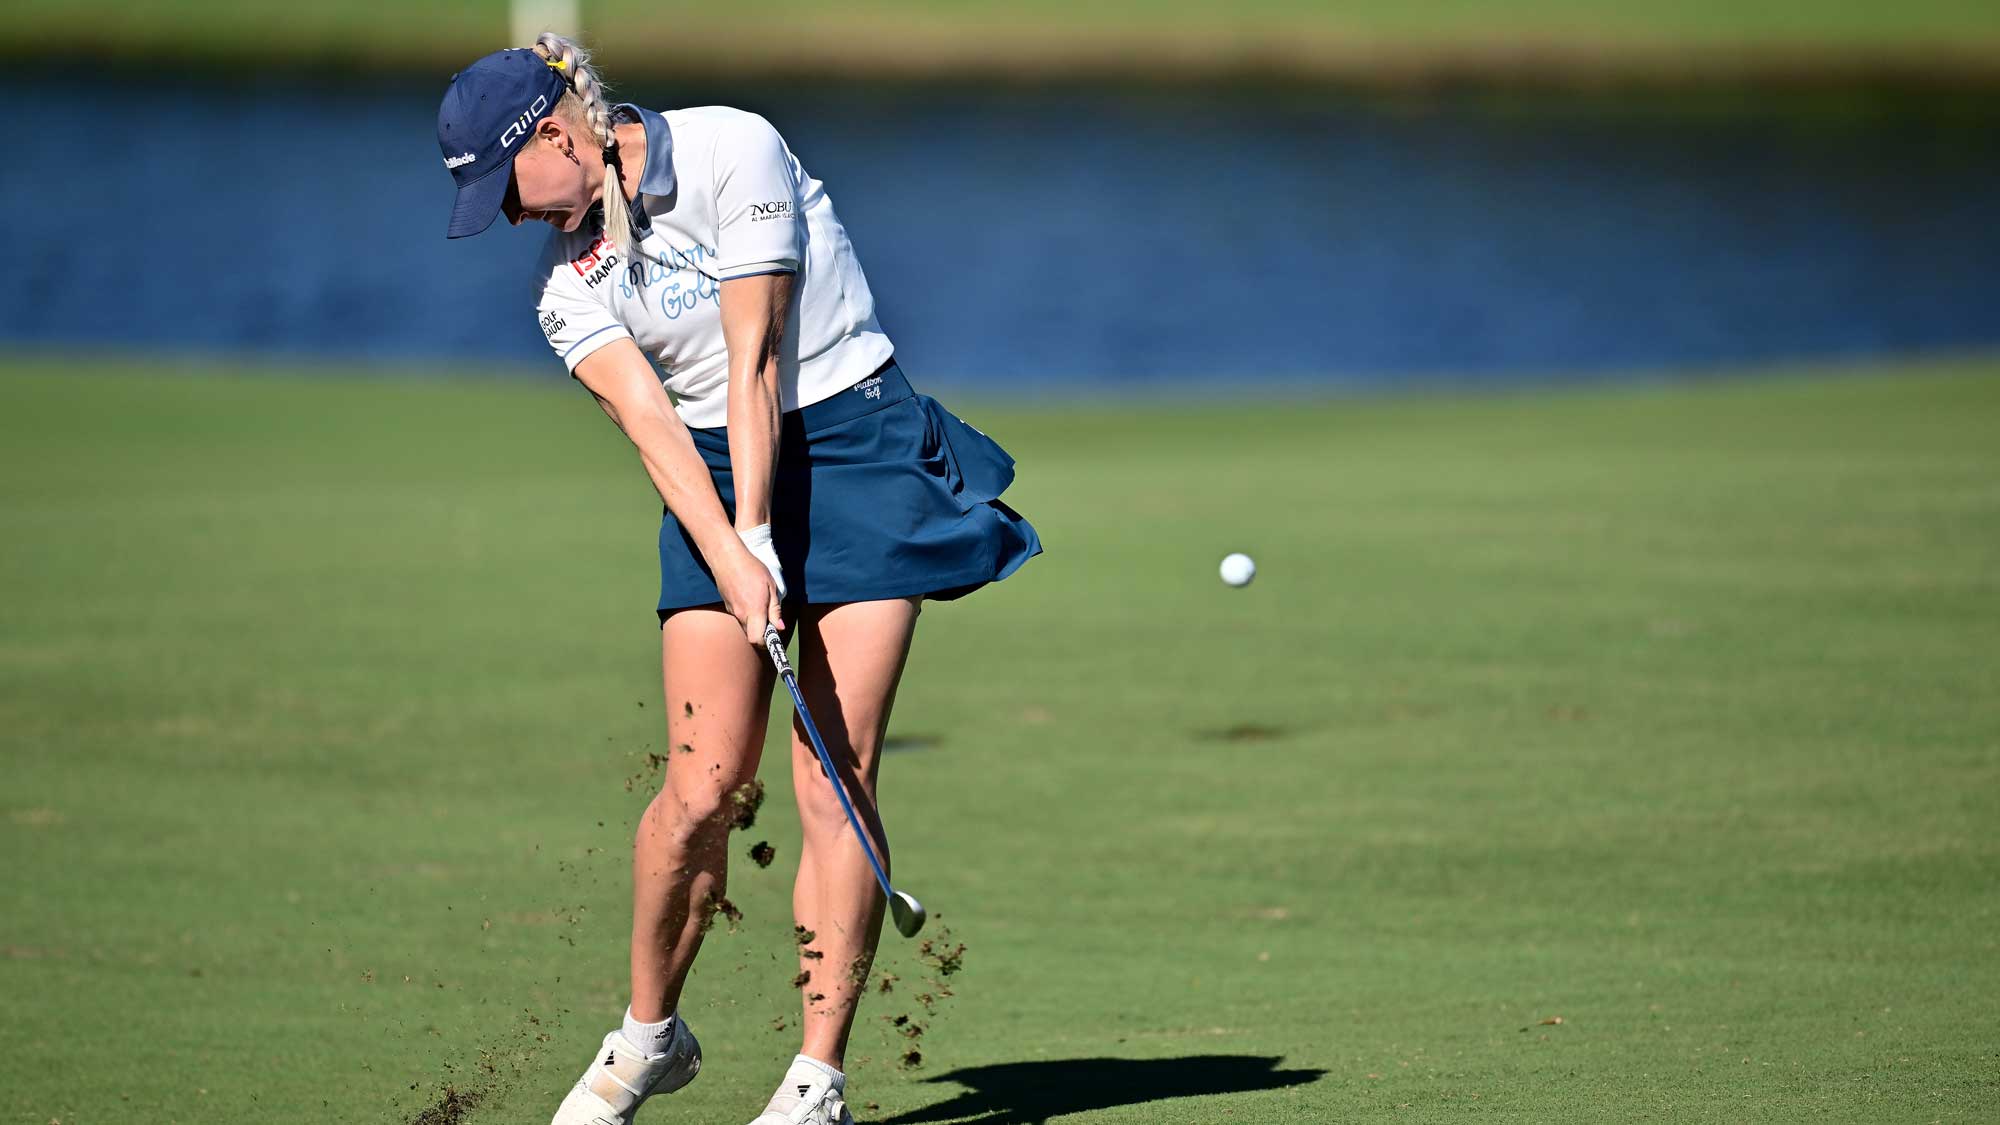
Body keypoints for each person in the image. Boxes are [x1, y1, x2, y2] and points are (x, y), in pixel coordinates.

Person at [436, 32, 1039, 1125]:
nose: (512, 221)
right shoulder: (565, 290)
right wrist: (731, 548)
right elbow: (656, 432)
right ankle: (649, 1034)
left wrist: (759, 535)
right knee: (702, 787)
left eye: (508, 191)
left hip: (855, 442)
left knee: (829, 773)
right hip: (711, 467)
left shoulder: (731, 148)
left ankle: (817, 1081)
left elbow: (755, 351)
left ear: (558, 135)